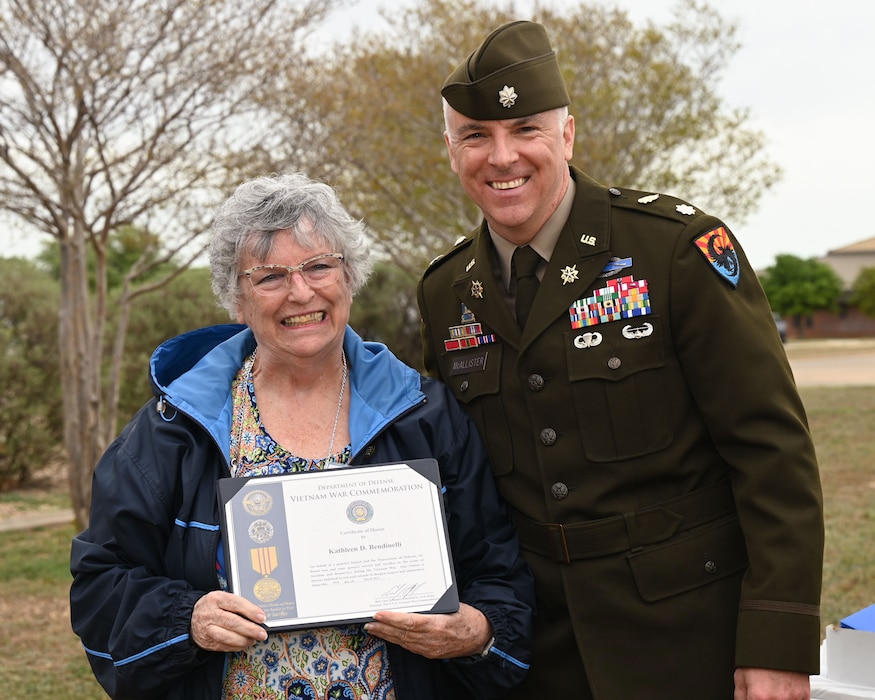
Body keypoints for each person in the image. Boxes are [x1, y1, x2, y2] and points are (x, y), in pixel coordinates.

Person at [416, 20, 824, 700]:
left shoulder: (672, 251)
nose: (501, 156)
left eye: (525, 130)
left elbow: (771, 454)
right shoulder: (444, 291)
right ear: (450, 150)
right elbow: (455, 480)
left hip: (687, 640)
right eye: (474, 136)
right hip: (532, 656)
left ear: (567, 135)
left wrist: (775, 644)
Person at [70, 172, 535, 700]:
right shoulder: (175, 426)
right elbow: (99, 582)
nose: (300, 292)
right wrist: (188, 618)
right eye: (269, 277)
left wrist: (476, 632)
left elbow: (499, 574)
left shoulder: (424, 415)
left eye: (318, 266)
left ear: (349, 277)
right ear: (236, 299)